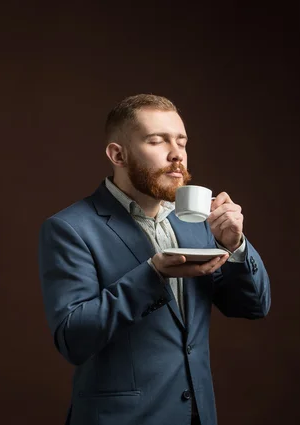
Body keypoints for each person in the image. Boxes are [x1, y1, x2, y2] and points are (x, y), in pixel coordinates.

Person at [38, 94, 271, 425]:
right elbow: (73, 339)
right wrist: (152, 274)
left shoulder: (197, 222)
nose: (176, 153)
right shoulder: (69, 228)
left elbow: (252, 306)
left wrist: (234, 246)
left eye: (181, 141)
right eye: (157, 140)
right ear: (118, 154)